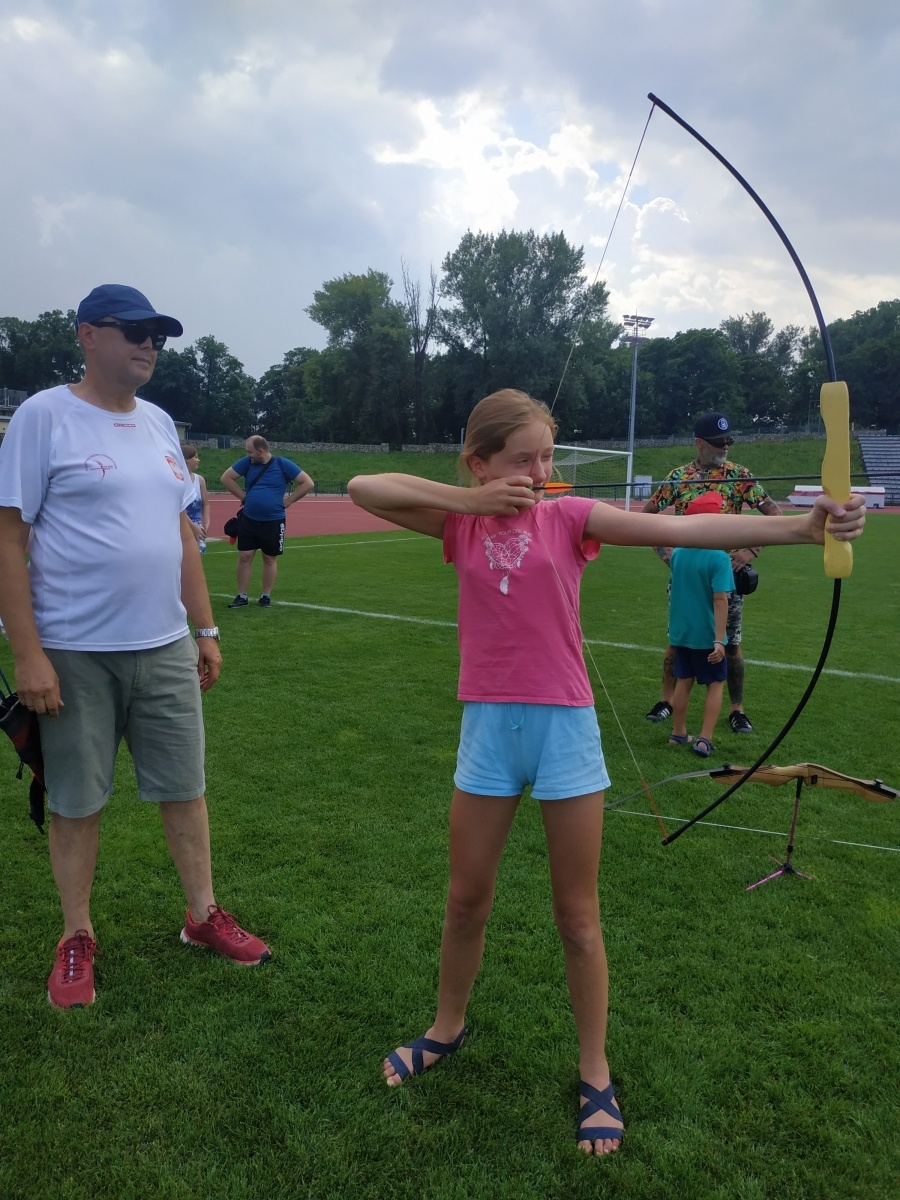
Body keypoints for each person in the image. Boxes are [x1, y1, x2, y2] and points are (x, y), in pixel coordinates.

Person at [347, 388, 865, 1156]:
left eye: (547, 456)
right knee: (464, 901)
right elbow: (364, 488)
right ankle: (445, 1028)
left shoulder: (568, 517)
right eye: (523, 460)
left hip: (564, 731)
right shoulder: (458, 520)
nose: (541, 471)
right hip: (488, 727)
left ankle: (596, 1071)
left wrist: (799, 525)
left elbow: (678, 525)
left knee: (578, 917)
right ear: (480, 463)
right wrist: (476, 500)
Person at [0, 284, 271, 1010]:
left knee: (186, 789)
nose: (149, 344)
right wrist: (27, 655)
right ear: (88, 334)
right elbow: (8, 538)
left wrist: (204, 629)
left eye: (157, 334)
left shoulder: (157, 423)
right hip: (73, 653)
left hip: (164, 647)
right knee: (78, 801)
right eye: (134, 331)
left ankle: (202, 915)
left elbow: (180, 532)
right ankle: (75, 935)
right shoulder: (42, 417)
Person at [642, 412, 782, 734]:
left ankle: (737, 709)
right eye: (719, 443)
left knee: (730, 643)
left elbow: (775, 516)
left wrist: (750, 552)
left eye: (729, 441)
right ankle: (666, 701)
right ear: (699, 443)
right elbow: (646, 519)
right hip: (685, 581)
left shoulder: (739, 476)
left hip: (725, 578)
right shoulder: (678, 477)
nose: (725, 448)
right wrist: (670, 557)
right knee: (676, 641)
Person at [667, 492, 733, 757]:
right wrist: (719, 639)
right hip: (706, 635)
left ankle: (678, 733)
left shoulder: (678, 553)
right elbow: (720, 599)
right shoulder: (719, 558)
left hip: (681, 632)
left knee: (683, 681)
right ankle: (705, 739)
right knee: (715, 684)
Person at [220, 436, 314, 608]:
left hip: (274, 520)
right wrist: (242, 496)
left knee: (269, 558)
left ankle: (265, 596)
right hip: (249, 519)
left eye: (250, 451)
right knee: (244, 557)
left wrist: (289, 500)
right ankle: (242, 596)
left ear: (260, 451)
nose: (248, 455)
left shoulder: (282, 464)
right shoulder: (247, 462)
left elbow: (307, 483)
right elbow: (226, 478)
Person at [181, 443, 210, 554]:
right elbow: (178, 508)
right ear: (186, 460)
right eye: (195, 457)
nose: (198, 460)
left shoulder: (200, 480)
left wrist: (206, 522)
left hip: (197, 528)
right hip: (182, 527)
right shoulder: (177, 479)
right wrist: (193, 527)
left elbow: (206, 504)